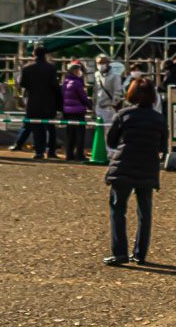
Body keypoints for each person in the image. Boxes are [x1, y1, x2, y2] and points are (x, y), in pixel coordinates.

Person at [103, 78, 168, 266]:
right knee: (144, 212)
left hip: (124, 165)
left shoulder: (123, 115)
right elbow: (163, 145)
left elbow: (111, 142)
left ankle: (120, 253)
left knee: (118, 209)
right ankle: (140, 253)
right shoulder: (159, 119)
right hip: (148, 166)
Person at [20, 46, 61, 160]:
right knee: (51, 128)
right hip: (49, 102)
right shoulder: (51, 68)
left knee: (37, 129)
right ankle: (51, 151)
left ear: (34, 54)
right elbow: (55, 85)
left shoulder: (27, 68)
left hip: (33, 102)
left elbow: (22, 84)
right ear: (45, 54)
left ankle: (39, 152)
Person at [61, 62, 92, 161]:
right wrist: (90, 105)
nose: (80, 72)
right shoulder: (77, 83)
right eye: (79, 70)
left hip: (68, 111)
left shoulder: (66, 81)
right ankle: (79, 154)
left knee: (70, 134)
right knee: (80, 135)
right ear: (75, 71)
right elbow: (83, 97)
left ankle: (69, 154)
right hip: (78, 111)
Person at [93, 54, 124, 133]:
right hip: (99, 107)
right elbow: (96, 91)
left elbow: (117, 92)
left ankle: (109, 145)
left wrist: (113, 105)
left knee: (109, 131)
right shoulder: (96, 75)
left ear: (108, 63)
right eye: (98, 63)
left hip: (109, 107)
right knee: (99, 130)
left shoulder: (115, 76)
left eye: (102, 62)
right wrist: (94, 106)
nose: (100, 65)